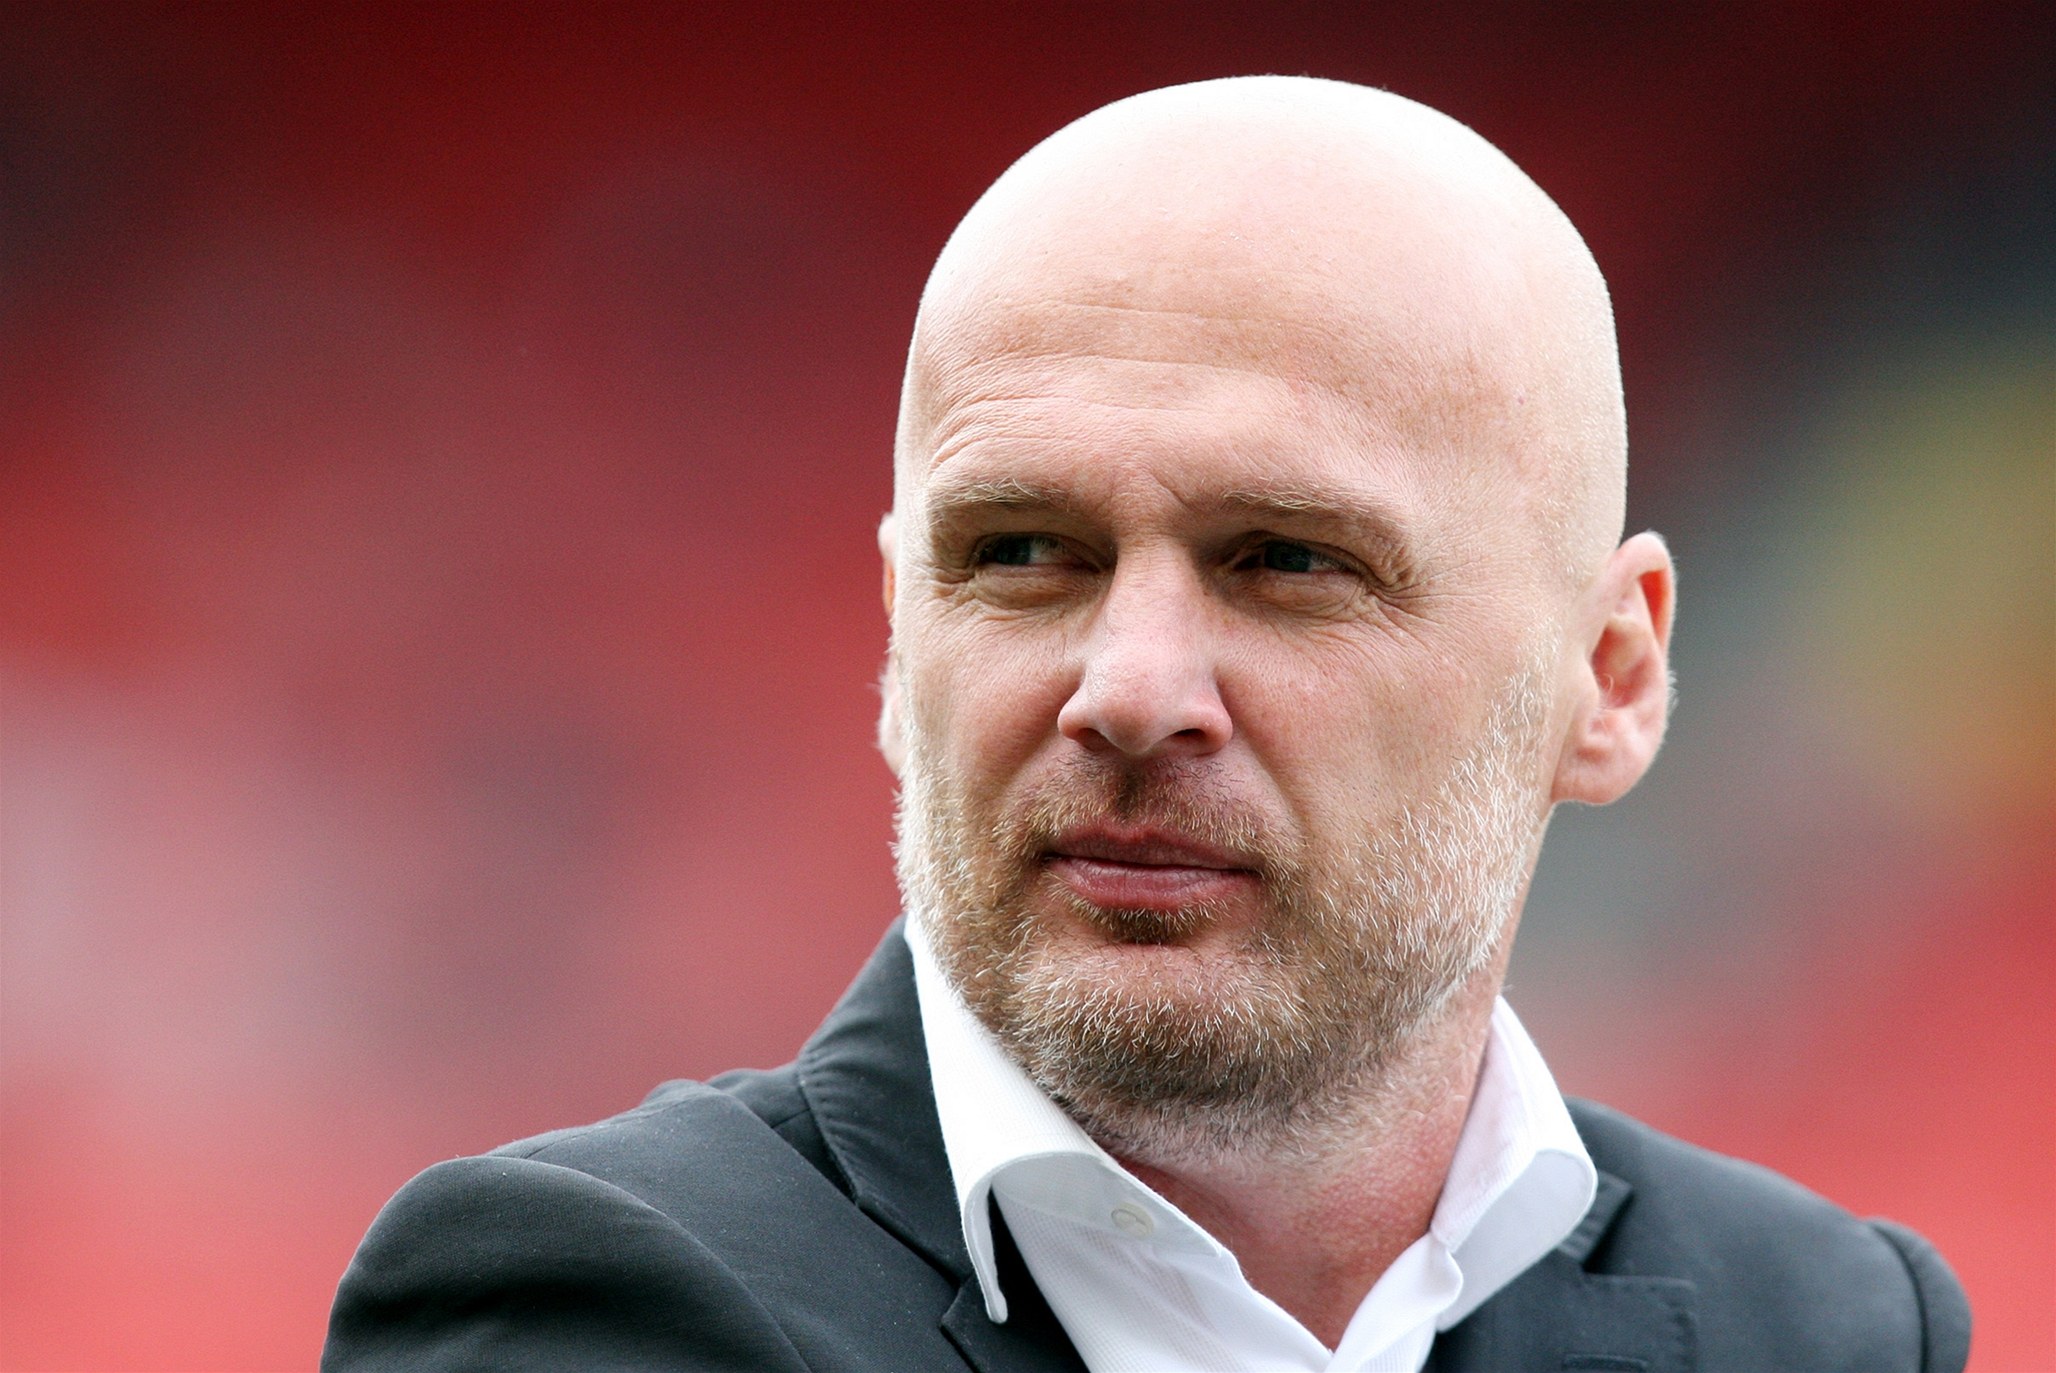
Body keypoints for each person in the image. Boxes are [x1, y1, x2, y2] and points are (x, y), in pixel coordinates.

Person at [323, 77, 1969, 1372]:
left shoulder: (1820, 1325)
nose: (1126, 688)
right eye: (1021, 553)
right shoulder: (590, 1301)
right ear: (899, 641)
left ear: (1607, 676)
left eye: (1289, 561)